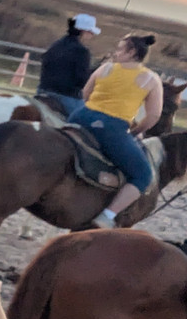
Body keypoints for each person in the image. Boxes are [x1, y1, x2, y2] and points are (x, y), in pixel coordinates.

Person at [68, 32, 164, 229]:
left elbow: (85, 95)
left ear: (132, 52)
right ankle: (107, 215)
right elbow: (154, 116)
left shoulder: (105, 68)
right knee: (143, 175)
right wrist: (136, 131)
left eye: (120, 49)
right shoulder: (151, 79)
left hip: (81, 117)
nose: (116, 52)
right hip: (111, 127)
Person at [37, 13, 100, 116]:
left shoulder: (56, 44)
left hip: (43, 90)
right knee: (83, 119)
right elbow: (82, 80)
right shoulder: (82, 51)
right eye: (91, 32)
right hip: (66, 96)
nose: (92, 35)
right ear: (83, 31)